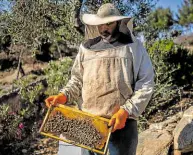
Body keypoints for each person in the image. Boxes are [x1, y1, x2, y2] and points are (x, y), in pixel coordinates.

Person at [45, 3, 154, 155]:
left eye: (109, 23)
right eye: (101, 24)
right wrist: (63, 96)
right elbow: (77, 80)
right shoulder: (87, 48)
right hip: (89, 122)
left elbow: (146, 83)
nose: (104, 28)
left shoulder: (134, 47)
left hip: (121, 123)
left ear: (118, 22)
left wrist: (126, 111)